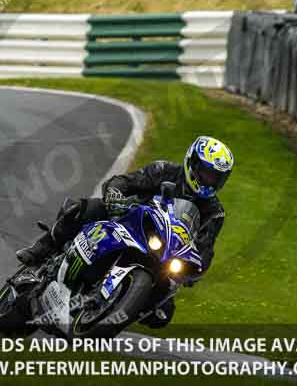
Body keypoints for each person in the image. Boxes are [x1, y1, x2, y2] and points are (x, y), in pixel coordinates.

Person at [16, 135, 234, 328]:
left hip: (164, 253)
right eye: (206, 173)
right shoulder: (164, 171)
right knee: (85, 209)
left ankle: (114, 309)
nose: (210, 180)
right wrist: (115, 194)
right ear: (192, 163)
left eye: (216, 177)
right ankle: (42, 248)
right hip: (128, 222)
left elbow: (206, 248)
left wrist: (194, 270)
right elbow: (124, 181)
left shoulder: (215, 213)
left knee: (162, 314)